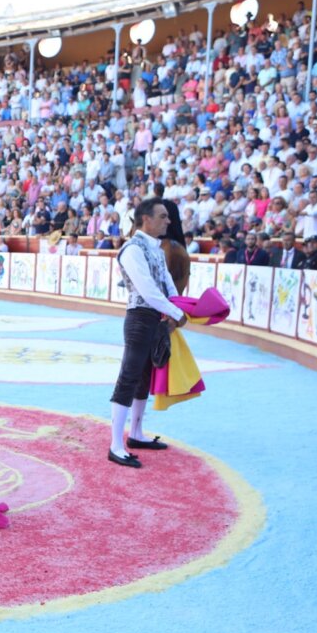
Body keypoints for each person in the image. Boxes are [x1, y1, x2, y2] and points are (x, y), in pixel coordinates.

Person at [108, 198, 187, 469]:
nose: (169, 221)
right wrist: (176, 312)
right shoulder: (132, 249)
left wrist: (178, 307)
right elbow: (148, 289)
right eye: (163, 216)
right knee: (129, 376)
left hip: (156, 317)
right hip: (140, 318)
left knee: (144, 377)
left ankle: (136, 434)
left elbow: (167, 285)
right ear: (146, 220)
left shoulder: (156, 250)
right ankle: (116, 444)